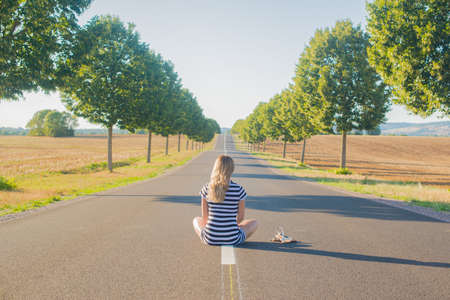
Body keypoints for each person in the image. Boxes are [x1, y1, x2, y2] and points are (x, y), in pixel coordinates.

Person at [193, 155, 258, 245]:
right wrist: (229, 226)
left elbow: (205, 218)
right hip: (232, 239)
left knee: (196, 220)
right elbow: (240, 218)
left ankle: (214, 235)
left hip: (210, 238)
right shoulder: (239, 190)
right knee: (254, 223)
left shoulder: (207, 188)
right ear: (232, 169)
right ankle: (229, 231)